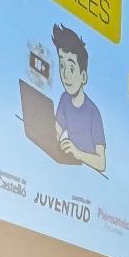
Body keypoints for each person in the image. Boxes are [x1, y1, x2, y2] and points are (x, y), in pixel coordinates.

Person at [51, 24, 107, 173]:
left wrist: (77, 153)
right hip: (72, 170)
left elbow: (101, 163)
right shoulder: (65, 99)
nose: (65, 75)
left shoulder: (93, 113)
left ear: (83, 77)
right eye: (62, 66)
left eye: (71, 68)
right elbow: (56, 131)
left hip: (90, 175)